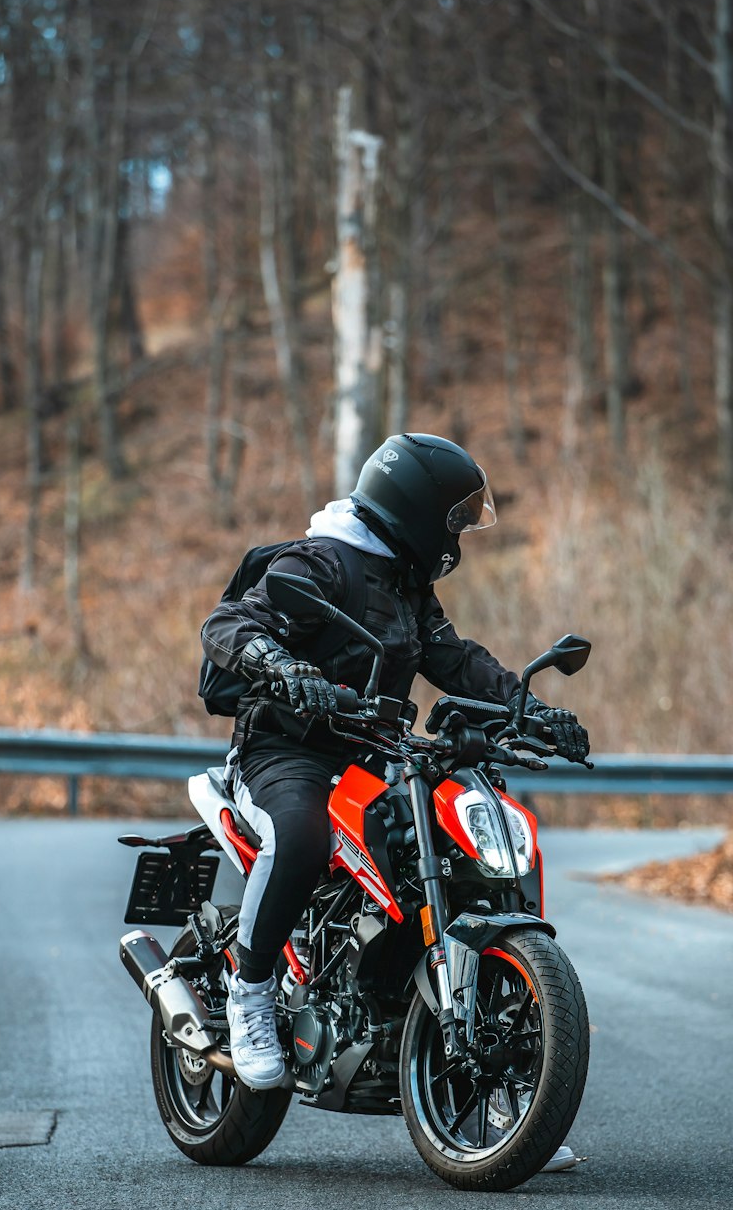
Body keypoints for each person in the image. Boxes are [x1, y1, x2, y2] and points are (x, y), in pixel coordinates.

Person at [200, 433, 589, 1170]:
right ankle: (251, 993)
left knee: (462, 847)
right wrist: (280, 664)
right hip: (287, 752)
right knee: (303, 837)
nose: (457, 535)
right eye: (453, 518)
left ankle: (517, 1107)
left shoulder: (408, 584)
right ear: (412, 510)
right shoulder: (317, 562)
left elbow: (453, 660)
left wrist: (527, 707)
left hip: (376, 757)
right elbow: (228, 625)